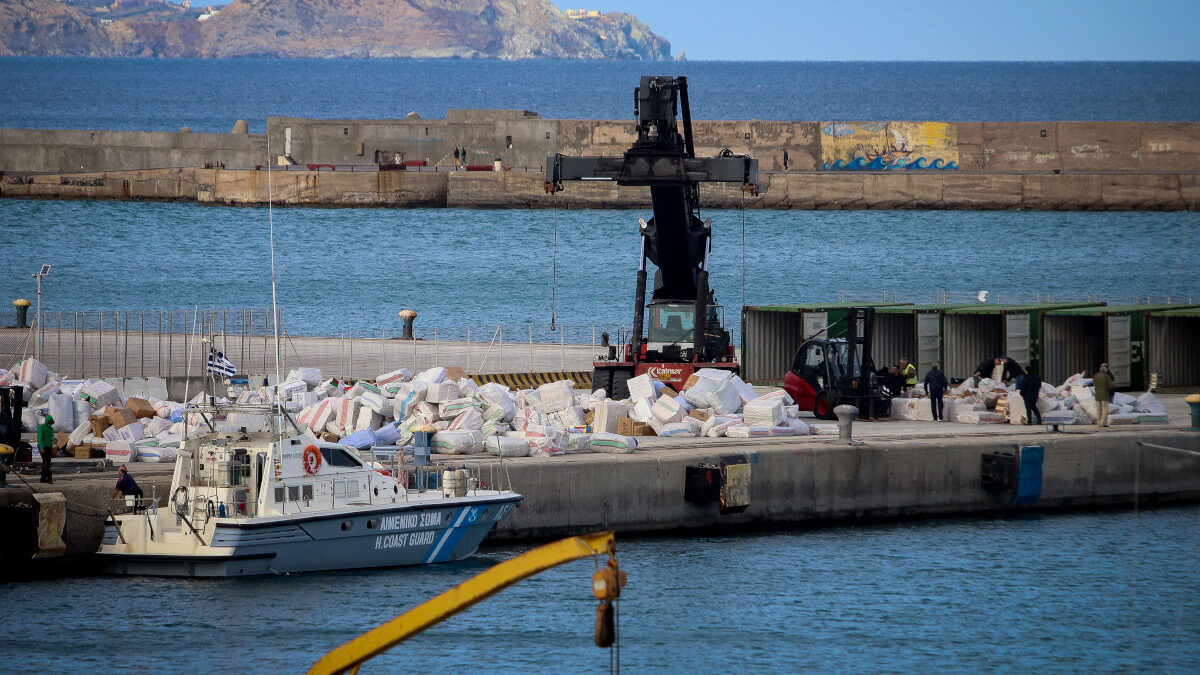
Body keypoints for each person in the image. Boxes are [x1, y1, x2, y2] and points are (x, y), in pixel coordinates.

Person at [1092, 362, 1114, 427]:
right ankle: (1102, 423)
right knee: (1105, 409)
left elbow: (1093, 384)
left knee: (1098, 409)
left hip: (1097, 395)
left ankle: (1098, 422)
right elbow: (1110, 385)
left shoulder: (1095, 376)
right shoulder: (1107, 376)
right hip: (1104, 394)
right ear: (1105, 371)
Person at [37, 413, 54, 484]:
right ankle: (49, 478)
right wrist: (42, 448)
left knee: (46, 462)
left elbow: (51, 437)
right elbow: (40, 439)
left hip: (49, 447)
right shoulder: (41, 428)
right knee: (46, 463)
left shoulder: (51, 429)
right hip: (43, 447)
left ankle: (43, 478)